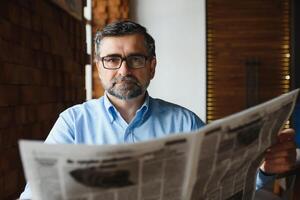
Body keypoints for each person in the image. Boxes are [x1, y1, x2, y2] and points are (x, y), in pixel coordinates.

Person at [20, 20, 296, 199]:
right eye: (112, 59)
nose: (124, 70)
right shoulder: (72, 122)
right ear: (99, 67)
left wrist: (264, 170)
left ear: (152, 66)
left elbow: (224, 188)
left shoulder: (184, 122)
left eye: (135, 59)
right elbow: (35, 194)